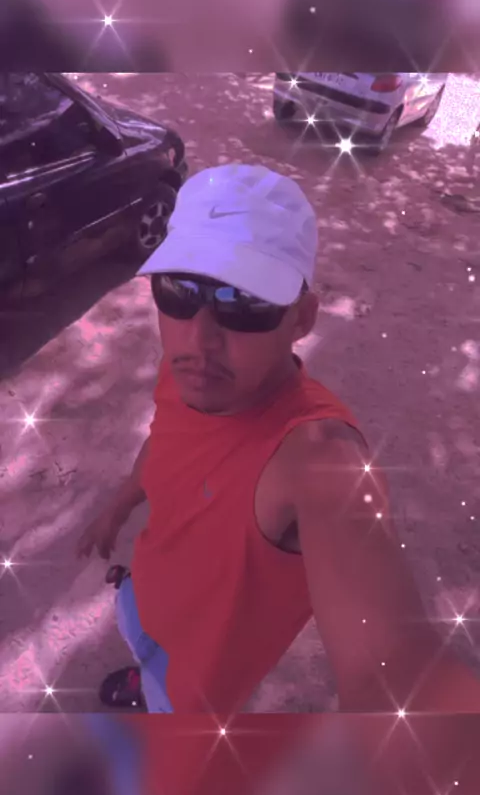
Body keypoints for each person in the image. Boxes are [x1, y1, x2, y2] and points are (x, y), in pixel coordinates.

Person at [77, 163, 480, 717]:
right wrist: (120, 504)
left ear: (302, 319)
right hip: (144, 595)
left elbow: (389, 671)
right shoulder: (188, 372)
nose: (200, 337)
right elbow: (165, 440)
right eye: (178, 290)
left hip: (197, 684)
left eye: (243, 303)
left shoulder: (316, 460)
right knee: (141, 647)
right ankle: (142, 678)